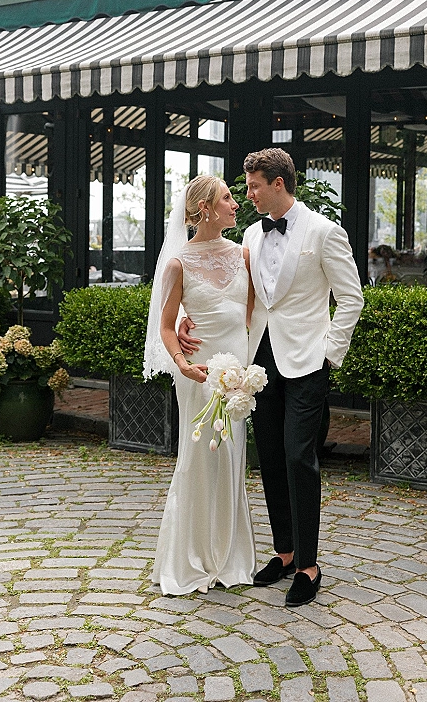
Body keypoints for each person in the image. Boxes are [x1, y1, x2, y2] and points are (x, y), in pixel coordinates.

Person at [180, 149, 364, 606]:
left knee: (300, 456)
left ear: (278, 184)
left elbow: (352, 298)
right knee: (272, 458)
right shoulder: (249, 236)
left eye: (253, 186)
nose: (247, 195)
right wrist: (184, 314)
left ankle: (308, 565)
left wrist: (328, 356)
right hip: (259, 363)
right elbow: (218, 285)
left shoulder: (324, 232)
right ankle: (283, 553)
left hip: (307, 363)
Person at [143, 176, 256, 596]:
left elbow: (253, 314)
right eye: (227, 197)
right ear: (205, 207)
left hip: (237, 375)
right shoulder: (178, 263)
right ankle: (187, 557)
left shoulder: (243, 254)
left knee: (231, 458)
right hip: (198, 373)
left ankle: (229, 556)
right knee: (198, 457)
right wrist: (181, 362)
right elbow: (167, 327)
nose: (235, 204)